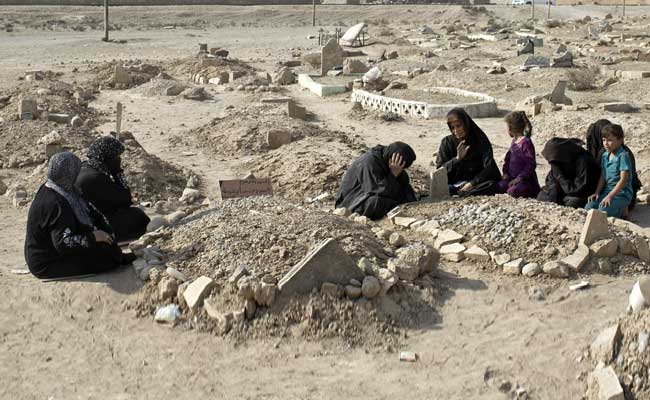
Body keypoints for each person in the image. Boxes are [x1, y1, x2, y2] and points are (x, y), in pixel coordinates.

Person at [25, 152, 135, 279]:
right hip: (47, 263)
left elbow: (90, 210)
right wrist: (93, 237)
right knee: (104, 259)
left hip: (55, 252)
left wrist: (103, 229)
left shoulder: (60, 188)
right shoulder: (56, 203)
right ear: (69, 173)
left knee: (106, 247)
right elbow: (63, 243)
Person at [76, 136, 150, 242]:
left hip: (83, 220)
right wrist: (118, 172)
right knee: (137, 215)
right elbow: (125, 199)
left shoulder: (85, 167)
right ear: (107, 157)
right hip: (92, 226)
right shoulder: (95, 177)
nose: (119, 159)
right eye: (116, 157)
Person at [335, 142, 417, 220]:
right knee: (377, 202)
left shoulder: (386, 159)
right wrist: (393, 174)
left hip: (371, 193)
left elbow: (404, 182)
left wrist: (397, 173)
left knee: (406, 191)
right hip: (352, 201)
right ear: (393, 159)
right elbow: (377, 189)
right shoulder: (369, 161)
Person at [436, 108, 501, 196]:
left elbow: (489, 167)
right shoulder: (447, 142)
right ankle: (462, 192)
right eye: (452, 127)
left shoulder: (481, 140)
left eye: (458, 126)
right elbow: (440, 170)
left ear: (466, 124)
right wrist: (457, 159)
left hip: (476, 183)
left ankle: (464, 192)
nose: (456, 130)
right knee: (446, 188)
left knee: (492, 185)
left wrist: (472, 183)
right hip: (454, 184)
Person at [586, 119, 642, 211]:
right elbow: (603, 176)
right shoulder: (605, 155)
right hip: (607, 192)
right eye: (603, 140)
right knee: (588, 207)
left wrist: (610, 196)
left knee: (602, 211)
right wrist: (597, 193)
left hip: (621, 193)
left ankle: (623, 210)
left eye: (610, 140)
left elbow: (624, 179)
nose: (605, 143)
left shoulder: (623, 155)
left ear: (620, 140)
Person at [537, 138, 600, 208]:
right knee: (542, 195)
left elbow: (580, 189)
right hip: (564, 191)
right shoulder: (558, 161)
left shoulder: (584, 161)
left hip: (579, 194)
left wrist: (561, 178)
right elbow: (550, 180)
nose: (552, 163)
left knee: (574, 202)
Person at [496, 111, 540, 198]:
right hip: (511, 178)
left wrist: (519, 178)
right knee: (499, 186)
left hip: (525, 181)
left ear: (512, 128)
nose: (506, 130)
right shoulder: (514, 141)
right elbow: (507, 159)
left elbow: (531, 164)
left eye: (507, 127)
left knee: (513, 191)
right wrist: (505, 173)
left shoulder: (526, 143)